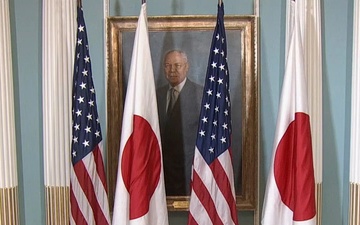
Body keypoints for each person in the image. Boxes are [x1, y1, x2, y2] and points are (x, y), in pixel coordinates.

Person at [156, 49, 203, 196]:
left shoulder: (200, 95)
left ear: (187, 67)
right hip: (161, 175)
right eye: (168, 65)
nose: (172, 70)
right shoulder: (156, 95)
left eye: (177, 65)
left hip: (188, 173)